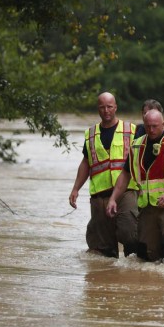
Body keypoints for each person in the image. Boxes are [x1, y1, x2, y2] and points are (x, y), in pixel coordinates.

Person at [106, 109, 164, 265]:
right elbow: (125, 175)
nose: (151, 130)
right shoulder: (137, 145)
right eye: (148, 126)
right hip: (148, 206)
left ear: (163, 124)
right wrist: (113, 198)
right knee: (147, 256)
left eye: (155, 126)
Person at [69, 92, 138, 258]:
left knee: (129, 232)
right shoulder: (91, 134)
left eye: (109, 106)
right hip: (100, 194)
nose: (106, 110)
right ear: (98, 109)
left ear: (116, 107)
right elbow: (86, 162)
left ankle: (133, 269)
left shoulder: (132, 130)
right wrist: (75, 189)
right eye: (102, 107)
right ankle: (108, 278)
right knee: (103, 249)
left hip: (126, 191)